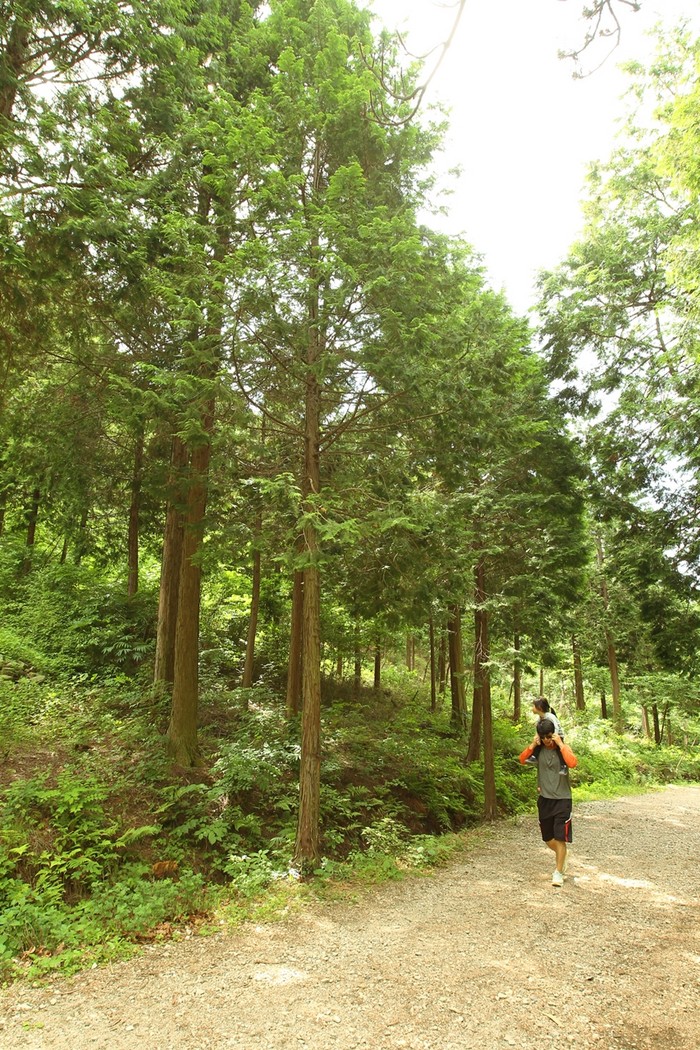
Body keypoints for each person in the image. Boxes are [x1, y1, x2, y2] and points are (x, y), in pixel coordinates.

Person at [519, 717, 577, 887]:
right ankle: (562, 855)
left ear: (554, 734)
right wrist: (532, 745)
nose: (546, 740)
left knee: (560, 838)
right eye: (543, 737)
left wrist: (560, 744)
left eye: (549, 736)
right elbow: (522, 760)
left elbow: (572, 763)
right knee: (548, 838)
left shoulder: (562, 748)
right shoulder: (538, 750)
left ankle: (558, 872)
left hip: (562, 799)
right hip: (545, 799)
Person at [525, 697, 567, 773]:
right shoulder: (540, 717)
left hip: (557, 735)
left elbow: (556, 727)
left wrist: (555, 737)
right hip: (547, 735)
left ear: (539, 707)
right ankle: (534, 756)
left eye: (533, 706)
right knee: (538, 744)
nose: (532, 708)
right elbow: (539, 727)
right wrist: (537, 736)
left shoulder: (550, 716)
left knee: (559, 750)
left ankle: (563, 766)